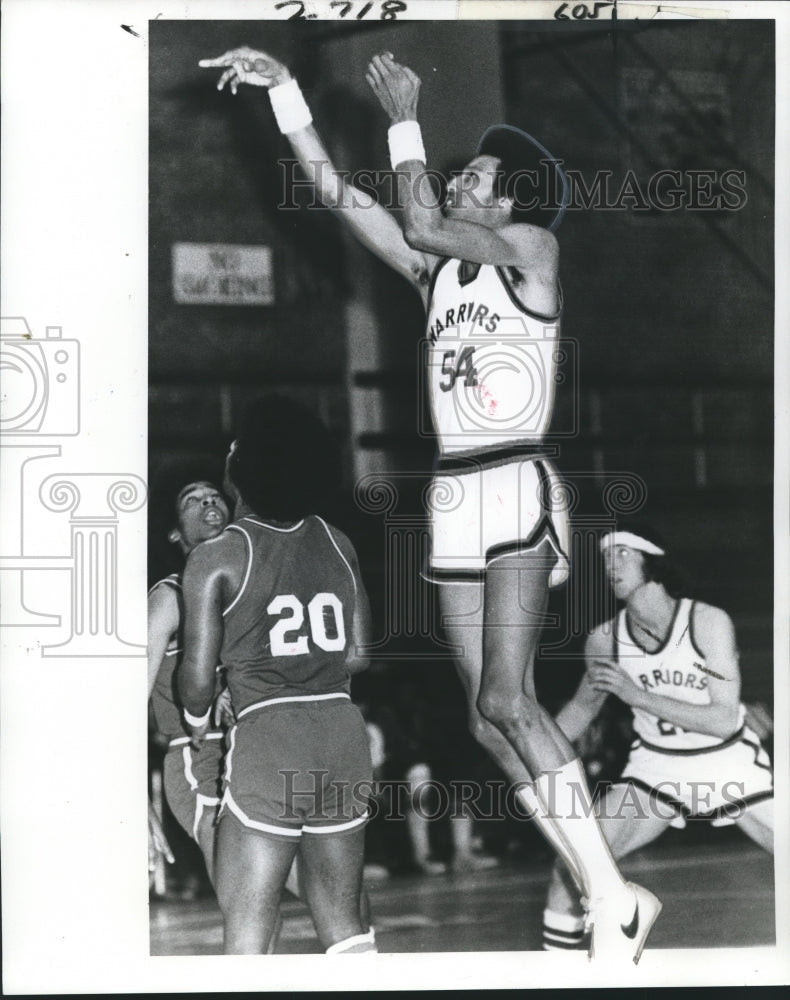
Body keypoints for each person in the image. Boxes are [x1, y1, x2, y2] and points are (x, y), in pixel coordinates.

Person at [196, 45, 661, 963]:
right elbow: (337, 189)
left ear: (507, 199)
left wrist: (405, 115)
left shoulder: (534, 251)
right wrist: (286, 90)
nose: (460, 180)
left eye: (476, 174)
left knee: (508, 695)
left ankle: (612, 894)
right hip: (453, 491)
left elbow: (417, 206)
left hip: (519, 478)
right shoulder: (433, 272)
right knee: (484, 717)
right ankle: (602, 888)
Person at [178, 397, 376, 955]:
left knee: (249, 923)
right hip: (342, 732)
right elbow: (360, 653)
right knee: (345, 925)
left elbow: (195, 677)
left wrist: (198, 720)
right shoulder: (339, 541)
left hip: (270, 735)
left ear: (241, 464)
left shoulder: (217, 555)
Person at [541, 522, 774, 951]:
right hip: (656, 770)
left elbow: (723, 720)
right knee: (571, 867)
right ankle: (557, 975)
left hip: (728, 762)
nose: (611, 564)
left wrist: (637, 696)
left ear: (653, 559)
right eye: (606, 557)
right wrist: (526, 750)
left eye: (623, 553)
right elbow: (580, 710)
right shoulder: (604, 640)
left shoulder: (705, 621)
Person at [147, 479, 232, 884]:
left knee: (322, 883)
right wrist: (138, 799)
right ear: (175, 532)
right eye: (192, 500)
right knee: (242, 890)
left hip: (259, 746)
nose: (209, 502)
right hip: (199, 756)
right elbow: (125, 704)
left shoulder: (248, 588)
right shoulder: (169, 597)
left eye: (215, 496)